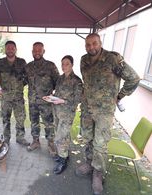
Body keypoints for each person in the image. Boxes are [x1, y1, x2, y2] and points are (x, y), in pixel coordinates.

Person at [75, 33, 140, 195]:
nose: (91, 47)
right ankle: (89, 163)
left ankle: (98, 173)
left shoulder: (113, 59)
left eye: (94, 43)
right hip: (88, 109)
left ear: (100, 43)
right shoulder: (83, 60)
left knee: (100, 144)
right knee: (88, 138)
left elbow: (134, 78)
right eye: (88, 45)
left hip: (104, 112)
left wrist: (119, 96)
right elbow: (87, 82)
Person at [43, 55, 83, 174]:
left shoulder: (76, 80)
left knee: (61, 137)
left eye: (67, 64)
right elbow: (57, 93)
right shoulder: (60, 78)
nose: (64, 66)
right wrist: (50, 97)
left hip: (67, 113)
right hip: (57, 111)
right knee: (62, 135)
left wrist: (64, 101)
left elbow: (78, 99)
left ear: (72, 65)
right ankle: (64, 154)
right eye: (62, 64)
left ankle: (63, 160)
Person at [0, 41, 29, 146]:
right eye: (8, 48)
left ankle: (20, 138)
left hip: (18, 97)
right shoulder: (0, 63)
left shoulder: (22, 62)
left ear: (16, 49)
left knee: (20, 118)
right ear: (5, 49)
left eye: (12, 48)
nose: (10, 50)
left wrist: (20, 86)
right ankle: (6, 139)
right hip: (5, 98)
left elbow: (27, 77)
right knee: (5, 119)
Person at [24, 42, 60, 155]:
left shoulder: (50, 66)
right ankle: (35, 141)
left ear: (44, 51)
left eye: (39, 50)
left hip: (46, 103)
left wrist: (52, 96)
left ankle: (51, 143)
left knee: (49, 123)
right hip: (32, 101)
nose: (37, 52)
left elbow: (57, 83)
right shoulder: (28, 67)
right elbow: (24, 81)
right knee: (34, 122)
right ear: (32, 52)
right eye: (35, 50)